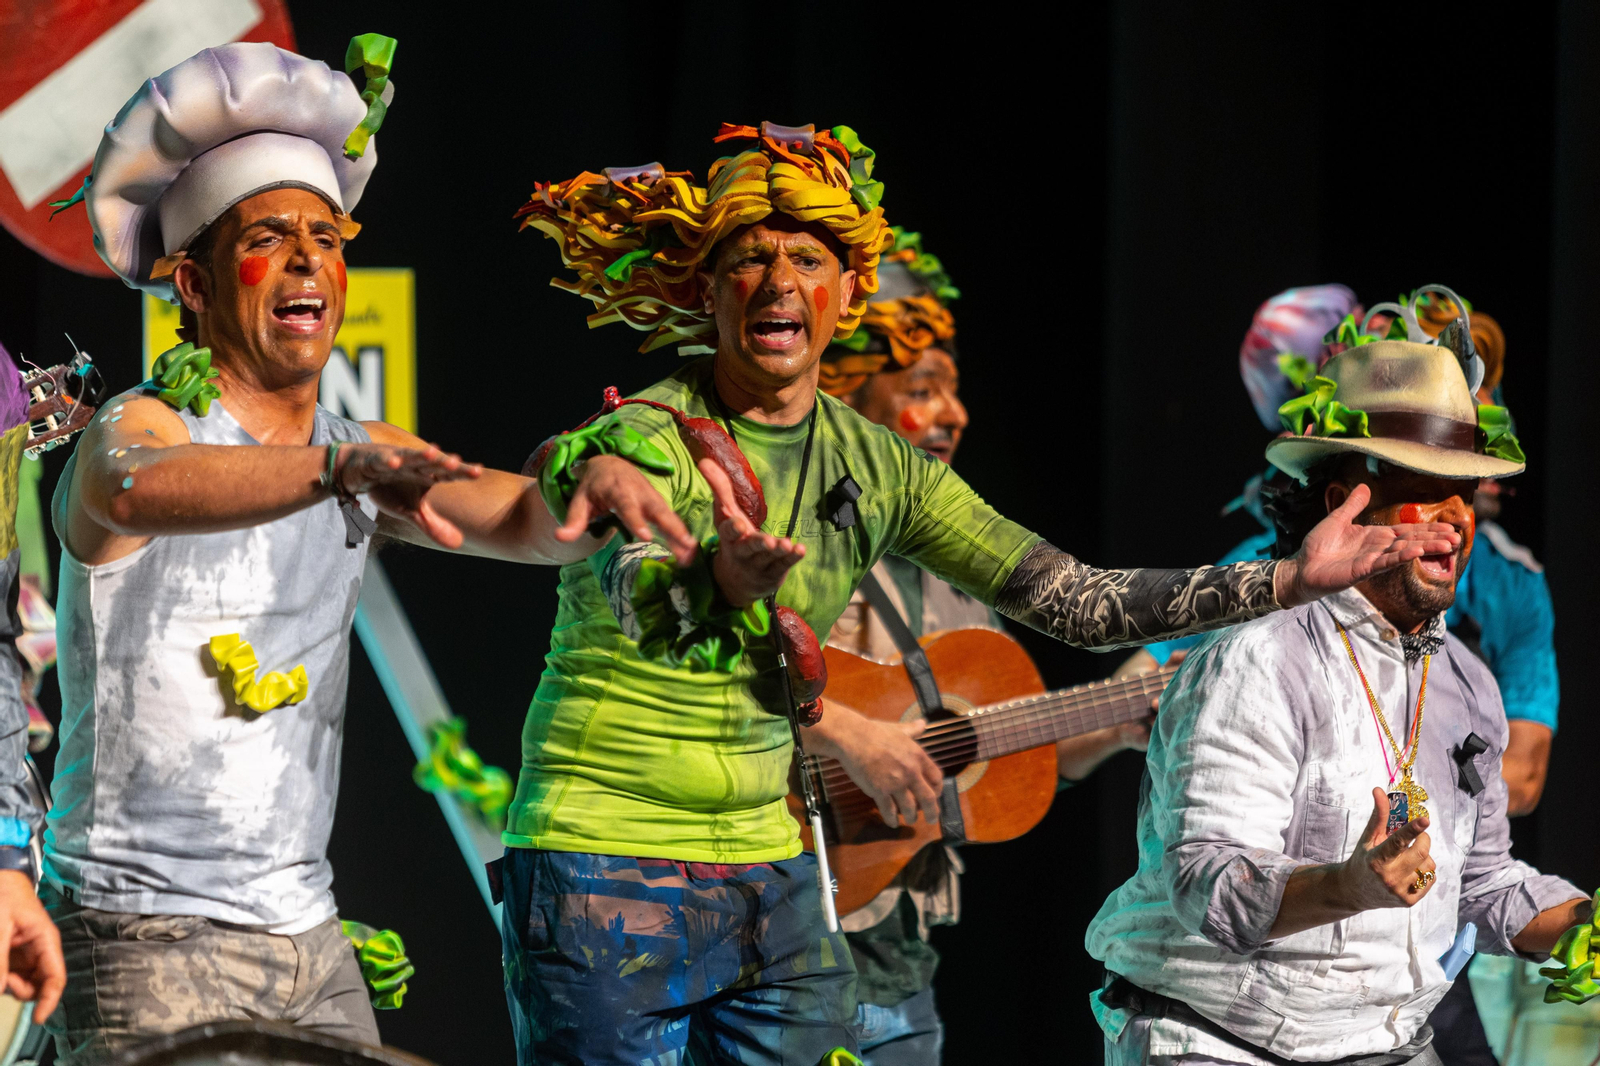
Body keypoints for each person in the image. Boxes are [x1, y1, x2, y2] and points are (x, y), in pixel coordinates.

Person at [501, 121, 1458, 1066]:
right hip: (604, 856)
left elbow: (1076, 603)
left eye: (808, 257)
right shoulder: (651, 433)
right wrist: (714, 578)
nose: (782, 281)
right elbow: (641, 591)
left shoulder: (879, 466)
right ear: (706, 289)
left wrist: (1288, 578)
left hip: (774, 867)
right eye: (752, 258)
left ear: (844, 295)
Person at [44, 39, 686, 1064]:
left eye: (325, 235)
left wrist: (599, 490)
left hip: (307, 936)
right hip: (142, 931)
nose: (308, 257)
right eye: (269, 236)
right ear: (197, 286)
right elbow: (138, 491)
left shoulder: (358, 450)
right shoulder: (142, 427)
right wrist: (336, 475)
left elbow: (523, 517)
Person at [1087, 318, 1586, 1065]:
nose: (1455, 516)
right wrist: (1349, 885)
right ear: (1343, 505)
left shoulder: (1464, 682)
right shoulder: (1257, 657)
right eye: (1424, 490)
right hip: (1217, 1037)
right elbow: (1208, 884)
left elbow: (1479, 880)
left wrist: (1581, 928)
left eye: (1464, 494)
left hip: (1379, 1043)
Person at [807, 229, 1151, 1063]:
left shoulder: (955, 572)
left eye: (953, 391)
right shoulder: (788, 540)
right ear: (846, 396)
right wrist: (853, 741)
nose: (953, 416)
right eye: (924, 388)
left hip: (894, 956)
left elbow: (993, 741)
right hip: (762, 936)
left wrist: (1116, 717)